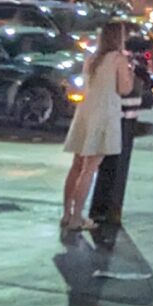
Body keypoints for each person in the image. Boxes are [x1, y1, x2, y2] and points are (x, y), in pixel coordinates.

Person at [59, 20, 136, 232]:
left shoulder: (92, 59)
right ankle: (77, 218)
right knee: (89, 169)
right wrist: (130, 72)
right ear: (118, 38)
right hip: (105, 113)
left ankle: (66, 213)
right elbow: (124, 88)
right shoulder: (118, 59)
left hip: (86, 112)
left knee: (76, 166)